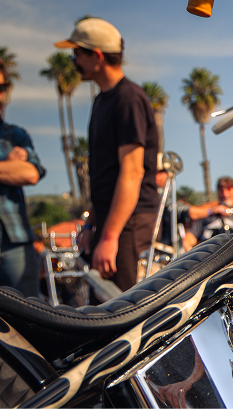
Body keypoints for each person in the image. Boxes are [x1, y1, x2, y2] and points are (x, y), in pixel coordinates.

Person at [56, 18, 160, 291]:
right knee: (102, 306)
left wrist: (111, 236)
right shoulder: (102, 99)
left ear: (98, 56)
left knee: (124, 308)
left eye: (77, 54)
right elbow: (106, 176)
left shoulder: (128, 99)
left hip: (129, 220)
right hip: (111, 220)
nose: (73, 61)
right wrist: (93, 226)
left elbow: (132, 171)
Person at [0, 55, 45, 296]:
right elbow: (20, 173)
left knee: (26, 315)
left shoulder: (17, 135)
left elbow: (30, 174)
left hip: (18, 241)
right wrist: (8, 167)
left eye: (1, 87)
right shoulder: (14, 147)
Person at [191, 176, 233, 243]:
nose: (225, 194)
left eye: (229, 189)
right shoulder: (208, 213)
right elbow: (189, 239)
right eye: (221, 190)